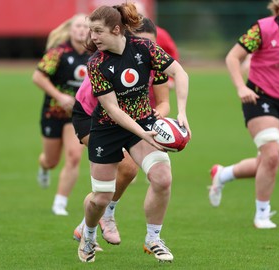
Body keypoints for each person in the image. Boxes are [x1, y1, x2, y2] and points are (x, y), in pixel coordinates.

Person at [76, 3, 190, 263]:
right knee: (100, 198)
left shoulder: (145, 48)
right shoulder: (96, 64)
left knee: (162, 178)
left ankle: (153, 238)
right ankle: (89, 235)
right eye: (91, 31)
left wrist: (181, 113)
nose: (92, 37)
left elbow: (179, 73)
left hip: (142, 120)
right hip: (107, 128)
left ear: (117, 30)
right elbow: (113, 110)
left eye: (97, 31)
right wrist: (144, 132)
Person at [209, 0, 279, 229]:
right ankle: (262, 213)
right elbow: (232, 57)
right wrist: (241, 87)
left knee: (270, 161)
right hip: (260, 99)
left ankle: (223, 174)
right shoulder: (262, 28)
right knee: (271, 155)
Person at [32, 14, 90, 216]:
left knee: (74, 157)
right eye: (78, 27)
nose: (82, 30)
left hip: (79, 115)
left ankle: (60, 202)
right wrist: (60, 96)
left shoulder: (96, 54)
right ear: (70, 30)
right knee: (51, 160)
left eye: (85, 27)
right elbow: (38, 77)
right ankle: (44, 166)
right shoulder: (58, 52)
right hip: (54, 112)